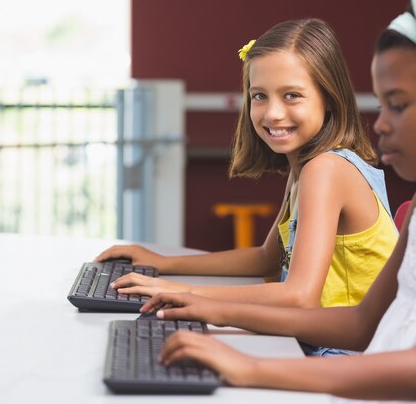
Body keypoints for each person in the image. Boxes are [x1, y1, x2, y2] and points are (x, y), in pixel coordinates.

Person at [140, 0, 416, 402]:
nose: (380, 125)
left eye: (397, 106)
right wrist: (200, 305)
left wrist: (247, 363)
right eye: (381, 105)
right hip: (365, 375)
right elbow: (363, 322)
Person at [96, 20, 398, 356]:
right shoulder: (306, 166)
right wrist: (161, 262)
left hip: (348, 357)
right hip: (315, 344)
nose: (273, 113)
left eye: (292, 95)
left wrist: (180, 291)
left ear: (329, 98)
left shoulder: (326, 169)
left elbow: (299, 297)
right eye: (259, 96)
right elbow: (266, 260)